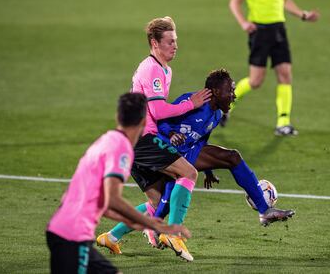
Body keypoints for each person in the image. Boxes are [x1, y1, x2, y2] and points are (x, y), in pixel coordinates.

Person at [97, 69, 295, 259]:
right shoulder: (192, 101)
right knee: (228, 159)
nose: (234, 95)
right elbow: (162, 121)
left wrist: (208, 169)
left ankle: (111, 237)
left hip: (177, 155)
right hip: (158, 151)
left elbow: (201, 141)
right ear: (216, 92)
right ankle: (164, 231)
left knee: (159, 204)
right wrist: (172, 134)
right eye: (230, 90)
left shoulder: (216, 115)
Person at [97, 16, 211, 262]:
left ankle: (111, 237)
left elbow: (154, 112)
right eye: (170, 41)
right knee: (189, 173)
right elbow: (158, 110)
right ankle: (174, 235)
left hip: (136, 140)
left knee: (158, 202)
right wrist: (190, 104)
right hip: (141, 140)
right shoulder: (151, 68)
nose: (175, 46)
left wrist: (170, 132)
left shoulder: (165, 69)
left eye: (176, 41)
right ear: (154, 43)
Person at [46, 93, 190, 274]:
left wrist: (131, 220)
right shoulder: (121, 148)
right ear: (144, 121)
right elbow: (113, 199)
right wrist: (156, 225)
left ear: (117, 116)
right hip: (72, 236)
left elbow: (102, 202)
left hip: (63, 228)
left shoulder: (105, 140)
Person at [227, 0, 320, 135]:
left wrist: (303, 15)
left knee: (285, 74)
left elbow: (285, 1)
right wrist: (243, 23)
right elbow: (234, 2)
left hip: (279, 30)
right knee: (255, 81)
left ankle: (283, 123)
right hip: (259, 32)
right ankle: (229, 103)